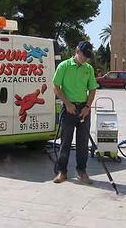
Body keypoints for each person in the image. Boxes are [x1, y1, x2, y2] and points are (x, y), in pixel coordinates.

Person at [52, 41, 98, 184]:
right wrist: (67, 103)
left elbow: (92, 89)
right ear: (77, 50)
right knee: (65, 142)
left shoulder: (88, 68)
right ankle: (62, 172)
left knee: (83, 143)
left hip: (83, 109)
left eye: (87, 56)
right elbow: (56, 87)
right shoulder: (64, 66)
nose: (85, 58)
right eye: (84, 55)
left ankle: (82, 171)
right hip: (68, 109)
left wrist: (87, 107)